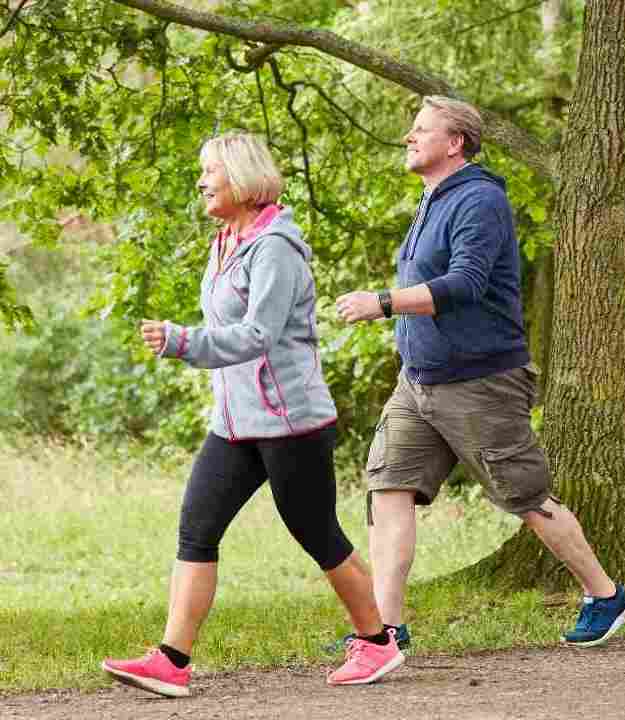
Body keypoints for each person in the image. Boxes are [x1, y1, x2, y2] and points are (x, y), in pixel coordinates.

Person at [101, 133, 403, 697]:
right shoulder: (226, 241)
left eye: (209, 169)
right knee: (197, 528)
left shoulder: (275, 249)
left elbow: (259, 334)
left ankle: (378, 643)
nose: (201, 180)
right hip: (235, 424)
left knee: (316, 532)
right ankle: (172, 660)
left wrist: (184, 342)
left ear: (240, 176)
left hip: (292, 422)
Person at [335, 95, 625, 649]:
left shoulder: (479, 200)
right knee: (388, 488)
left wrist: (383, 301)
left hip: (480, 381)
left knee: (525, 496)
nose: (409, 136)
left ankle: (605, 593)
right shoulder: (431, 199)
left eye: (421, 129)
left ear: (455, 143)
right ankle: (385, 631)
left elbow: (465, 284)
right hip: (419, 380)